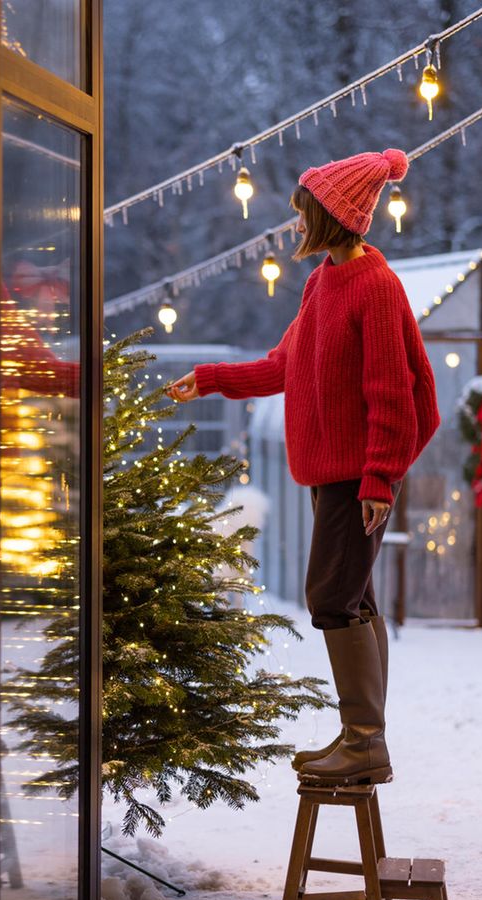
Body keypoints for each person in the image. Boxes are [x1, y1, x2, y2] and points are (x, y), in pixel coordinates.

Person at [167, 149, 440, 785]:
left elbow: (393, 393)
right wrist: (208, 379)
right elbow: (283, 366)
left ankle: (366, 742)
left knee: (331, 596)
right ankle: (361, 737)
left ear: (331, 215)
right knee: (353, 596)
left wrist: (378, 479)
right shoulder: (324, 281)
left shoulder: (374, 286)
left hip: (358, 477)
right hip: (331, 475)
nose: (295, 223)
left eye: (303, 212)